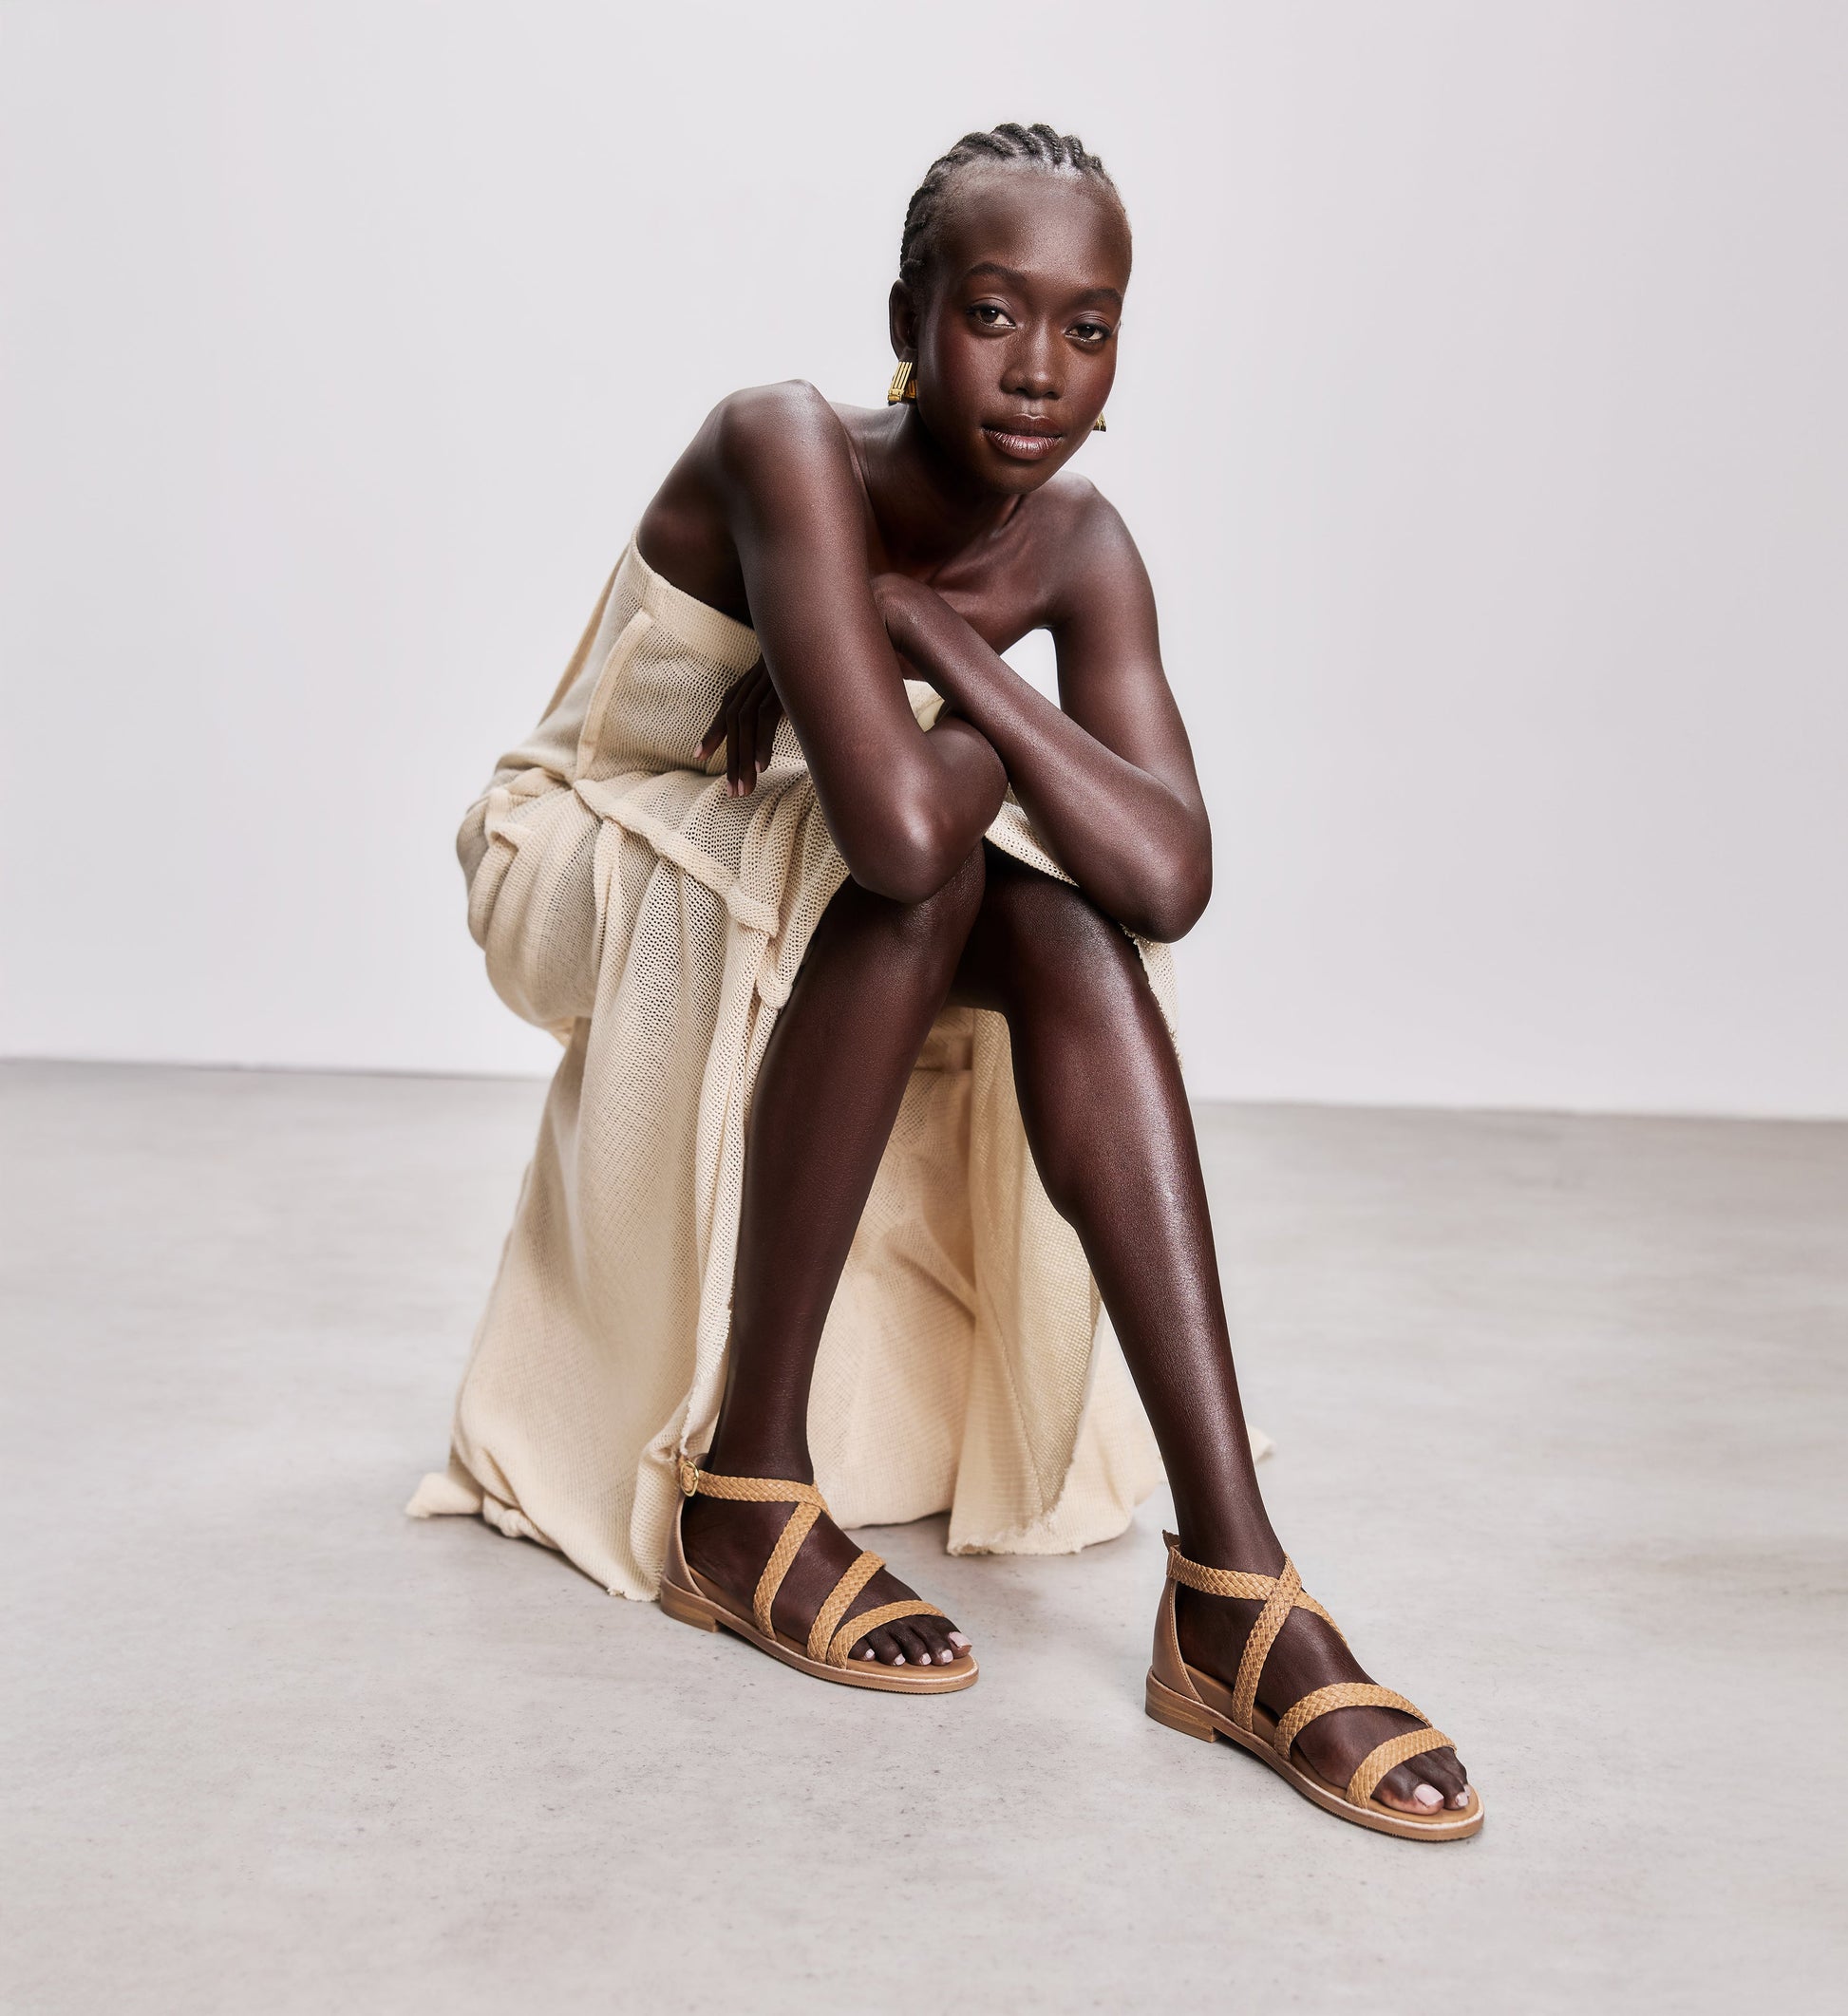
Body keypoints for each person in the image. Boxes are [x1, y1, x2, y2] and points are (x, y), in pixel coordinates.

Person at [413, 123, 1480, 1840]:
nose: (1039, 370)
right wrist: (958, 712)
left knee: (1069, 927)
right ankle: (745, 1489)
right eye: (992, 312)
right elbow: (903, 841)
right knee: (946, 873)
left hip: (816, 826)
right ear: (905, 316)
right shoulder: (781, 445)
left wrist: (931, 642)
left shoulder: (1081, 544)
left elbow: (1168, 878)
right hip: (588, 840)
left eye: (1089, 325)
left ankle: (1232, 1584)